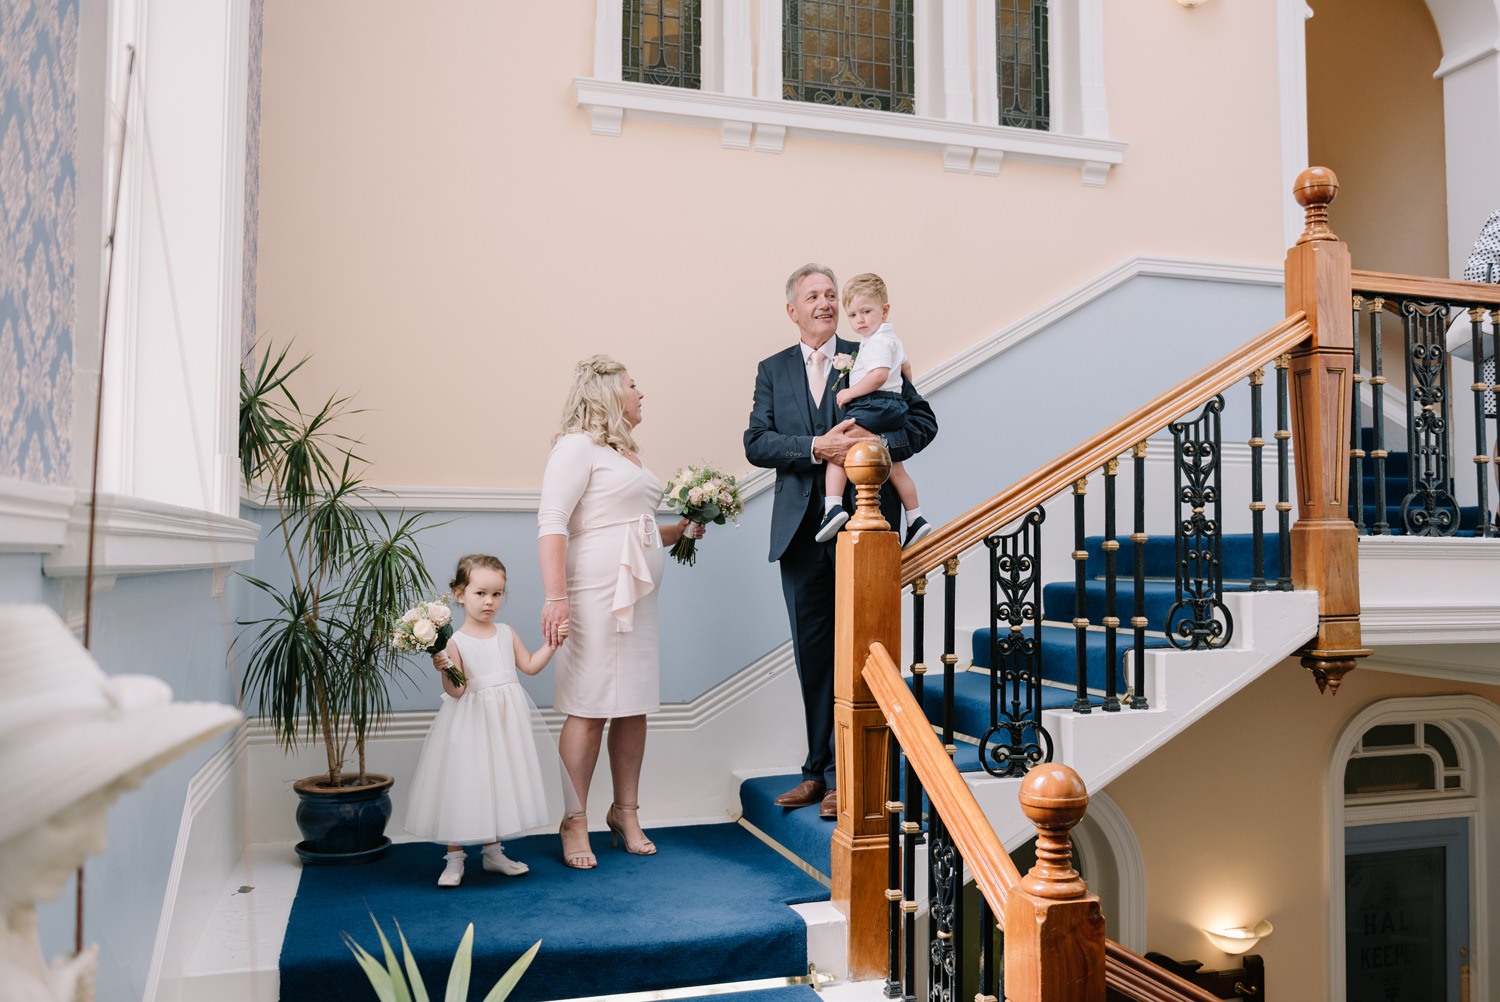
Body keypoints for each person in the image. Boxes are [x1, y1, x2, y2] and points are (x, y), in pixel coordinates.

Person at [743, 264, 938, 820]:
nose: (826, 303)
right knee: (812, 655)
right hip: (800, 533)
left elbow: (922, 425)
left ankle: (847, 777)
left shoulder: (875, 346)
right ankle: (815, 770)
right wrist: (816, 447)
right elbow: (757, 442)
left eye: (831, 294)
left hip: (863, 524)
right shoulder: (772, 370)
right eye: (813, 296)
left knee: (859, 650)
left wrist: (869, 440)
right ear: (793, 310)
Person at [538, 355, 706, 868]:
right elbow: (553, 521)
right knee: (588, 707)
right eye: (634, 386)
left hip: (638, 594)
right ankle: (573, 820)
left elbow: (639, 526)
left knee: (633, 704)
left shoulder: (626, 453)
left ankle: (625, 811)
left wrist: (684, 528)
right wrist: (555, 596)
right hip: (591, 592)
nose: (640, 393)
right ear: (608, 394)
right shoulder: (576, 447)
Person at [405, 554, 562, 888]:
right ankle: (454, 859)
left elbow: (530, 666)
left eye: (497, 593)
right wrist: (445, 665)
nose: (490, 601)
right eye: (480, 593)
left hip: (504, 723)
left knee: (498, 782)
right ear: (459, 594)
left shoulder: (506, 632)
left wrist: (553, 643)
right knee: (463, 784)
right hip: (470, 725)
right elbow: (458, 690)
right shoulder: (454, 641)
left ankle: (494, 853)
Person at [815, 273, 930, 546]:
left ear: (885, 310)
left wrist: (850, 392)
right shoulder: (892, 340)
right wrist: (901, 396)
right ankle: (916, 518)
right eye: (853, 315)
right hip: (892, 404)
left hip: (875, 402)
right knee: (896, 468)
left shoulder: (877, 341)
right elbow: (906, 368)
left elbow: (878, 375)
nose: (860, 321)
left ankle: (832, 507)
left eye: (866, 312)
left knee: (838, 447)